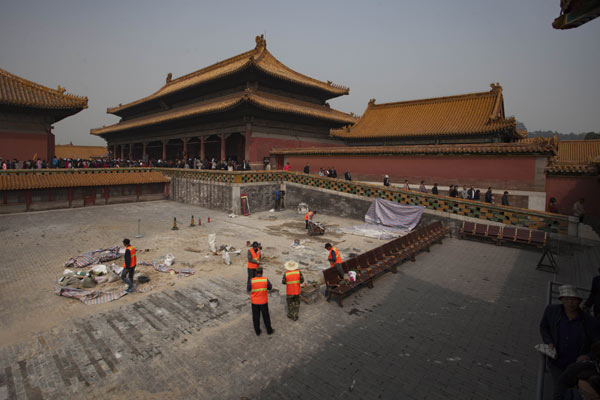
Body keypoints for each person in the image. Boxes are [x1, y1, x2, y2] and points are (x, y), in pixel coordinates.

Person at [540, 285, 600, 400]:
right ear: (561, 300)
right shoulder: (552, 311)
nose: (570, 302)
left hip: (576, 365)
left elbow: (598, 343)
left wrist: (587, 356)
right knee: (560, 389)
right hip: (557, 362)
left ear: (579, 301)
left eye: (574, 299)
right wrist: (549, 342)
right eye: (567, 299)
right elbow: (544, 327)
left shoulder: (590, 321)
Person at [247, 267, 274, 336]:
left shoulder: (252, 280)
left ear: (255, 273)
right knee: (266, 316)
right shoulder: (265, 280)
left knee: (256, 317)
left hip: (255, 302)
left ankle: (257, 331)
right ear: (262, 273)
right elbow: (270, 287)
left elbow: (248, 288)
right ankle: (269, 330)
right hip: (263, 301)